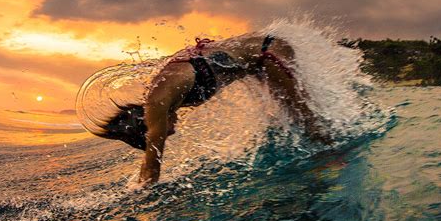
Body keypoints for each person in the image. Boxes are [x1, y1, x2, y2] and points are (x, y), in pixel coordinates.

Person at [98, 33, 329, 184]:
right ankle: (326, 149)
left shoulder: (156, 102)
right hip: (262, 60)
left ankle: (334, 160)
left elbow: (152, 164)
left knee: (305, 118)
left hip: (269, 54)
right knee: (293, 118)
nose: (172, 132)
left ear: (147, 127)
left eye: (165, 132)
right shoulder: (166, 95)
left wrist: (140, 197)